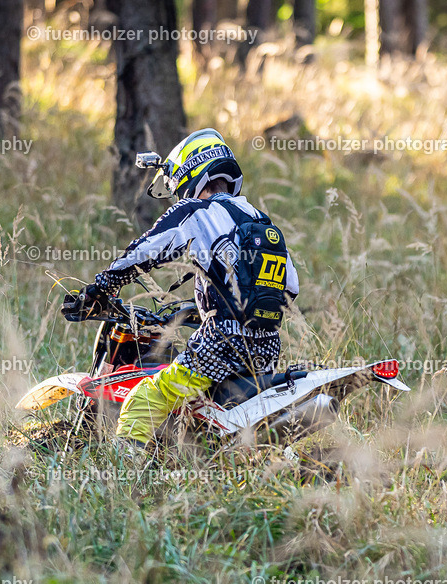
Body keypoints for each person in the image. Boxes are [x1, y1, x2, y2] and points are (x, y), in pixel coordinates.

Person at [61, 128, 299, 450]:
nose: (177, 195)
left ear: (191, 173)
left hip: (221, 345)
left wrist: (100, 287)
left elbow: (145, 251)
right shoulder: (261, 222)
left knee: (144, 398)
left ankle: (123, 480)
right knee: (200, 412)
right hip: (266, 350)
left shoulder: (196, 211)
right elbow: (290, 289)